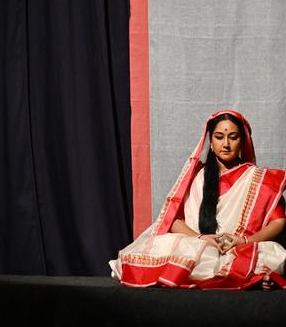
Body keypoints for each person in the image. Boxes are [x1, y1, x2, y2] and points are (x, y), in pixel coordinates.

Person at [111, 110, 286, 289]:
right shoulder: (196, 176)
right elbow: (174, 221)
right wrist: (201, 238)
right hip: (201, 244)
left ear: (242, 142)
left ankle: (238, 275)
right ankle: (249, 277)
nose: (226, 144)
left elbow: (278, 221)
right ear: (210, 142)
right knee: (181, 248)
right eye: (219, 137)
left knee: (274, 252)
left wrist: (244, 241)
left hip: (240, 246)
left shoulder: (260, 178)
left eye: (233, 137)